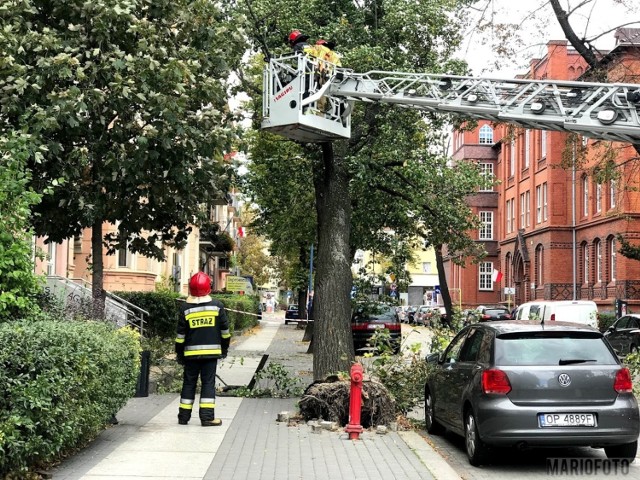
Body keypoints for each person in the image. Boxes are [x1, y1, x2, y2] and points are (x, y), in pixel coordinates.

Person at [175, 272, 231, 426]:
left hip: (190, 355)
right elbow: (225, 332)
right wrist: (224, 350)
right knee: (207, 384)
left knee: (188, 383)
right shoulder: (217, 306)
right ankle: (207, 418)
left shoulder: (185, 308)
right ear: (209, 288)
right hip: (210, 355)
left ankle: (183, 417)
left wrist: (179, 354)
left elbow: (180, 336)